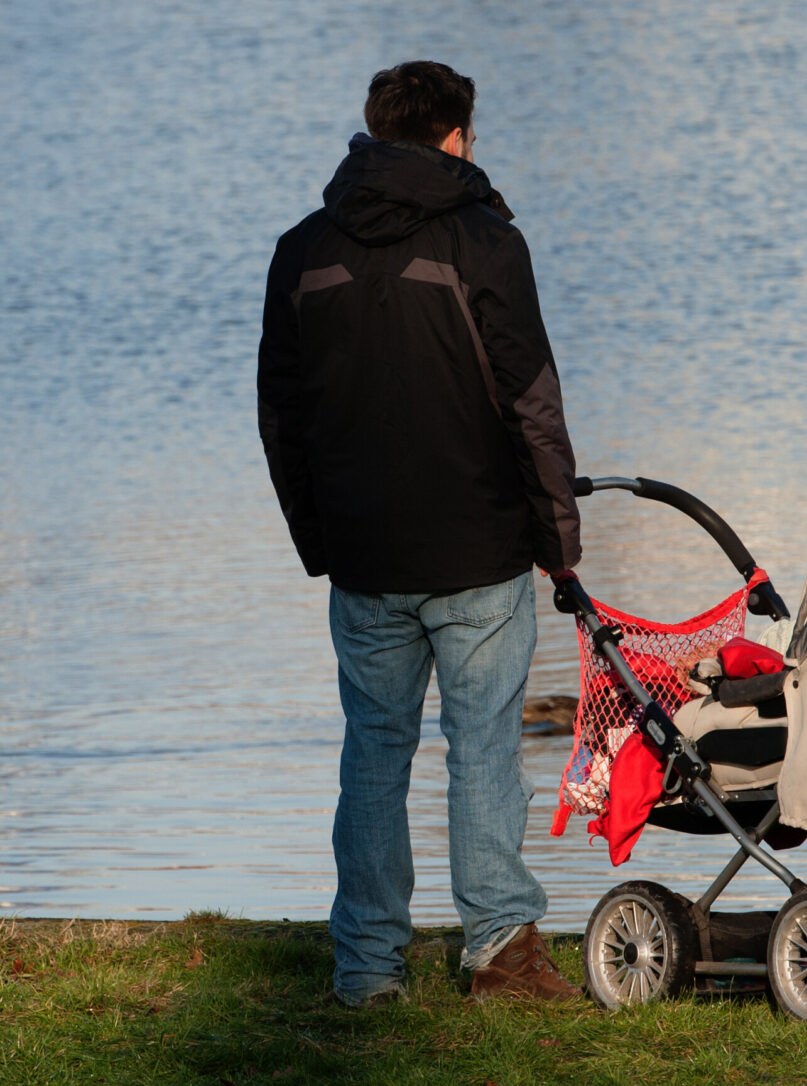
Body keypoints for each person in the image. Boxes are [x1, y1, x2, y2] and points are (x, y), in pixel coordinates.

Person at [257, 60, 582, 1005]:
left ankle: (366, 970)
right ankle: (501, 953)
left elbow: (280, 415)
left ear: (375, 131)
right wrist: (559, 542)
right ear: (454, 138)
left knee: (374, 755)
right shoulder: (488, 241)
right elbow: (532, 403)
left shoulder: (302, 248)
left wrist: (319, 540)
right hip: (480, 552)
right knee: (484, 752)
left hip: (364, 557)